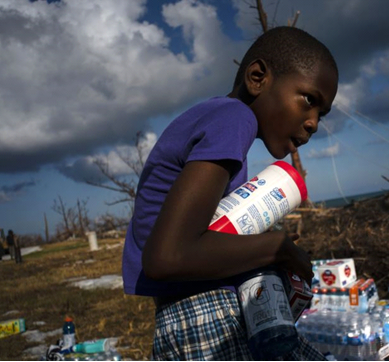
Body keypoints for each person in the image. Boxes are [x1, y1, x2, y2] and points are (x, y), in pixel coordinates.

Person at [122, 26, 338, 361]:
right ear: (257, 77)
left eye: (321, 114)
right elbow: (167, 256)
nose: (313, 122)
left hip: (201, 314)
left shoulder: (220, 122)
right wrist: (279, 249)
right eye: (309, 100)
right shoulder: (234, 118)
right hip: (205, 317)